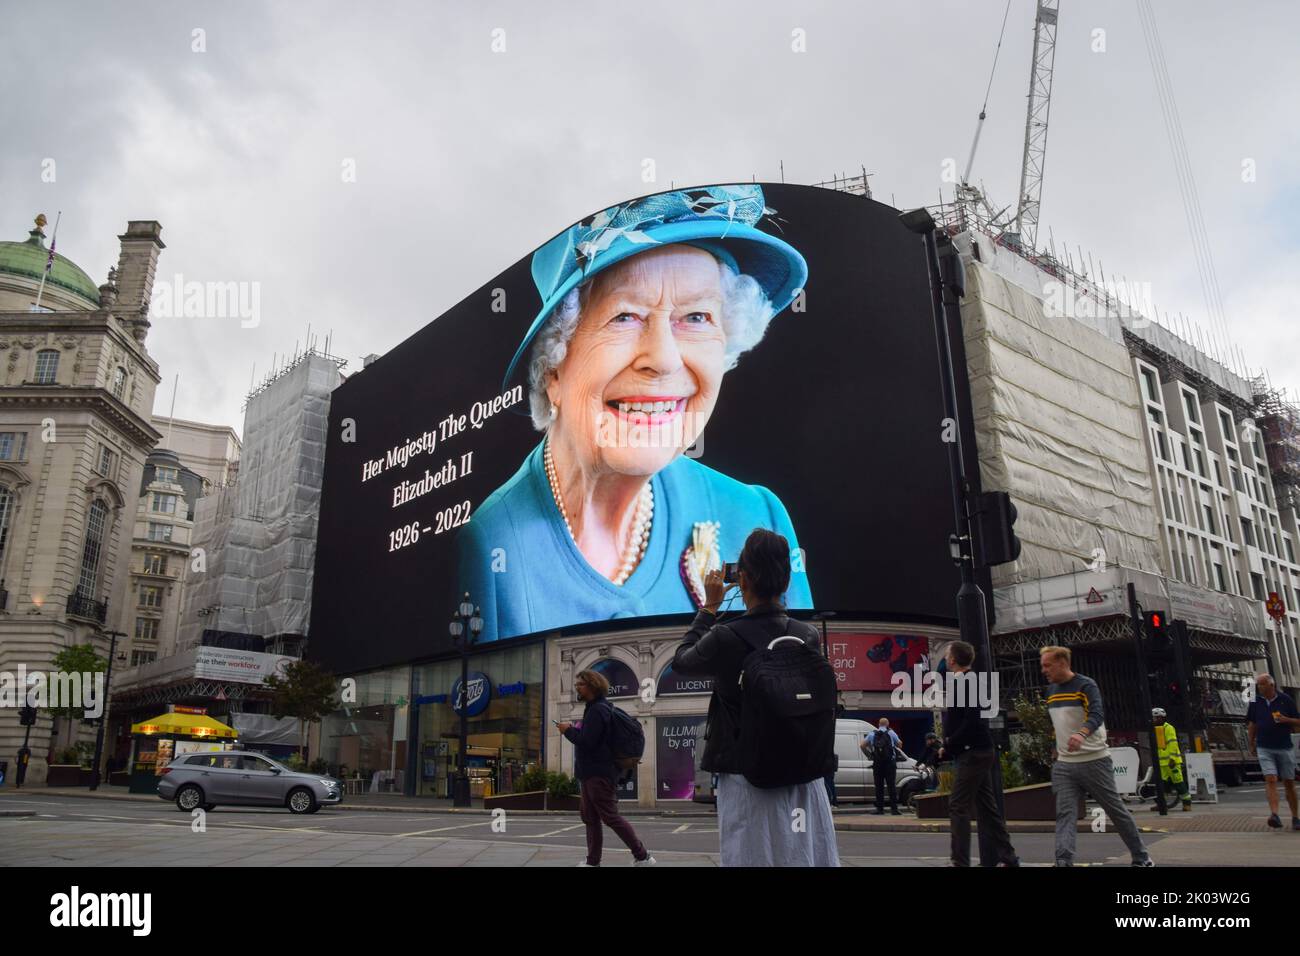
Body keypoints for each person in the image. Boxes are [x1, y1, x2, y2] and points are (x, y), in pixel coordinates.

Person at [460, 185, 813, 642]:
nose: (664, 359)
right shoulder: (492, 550)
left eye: (697, 317)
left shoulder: (756, 516)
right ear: (553, 370)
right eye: (624, 316)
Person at [671, 527, 839, 866]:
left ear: (743, 579)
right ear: (787, 582)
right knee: (803, 854)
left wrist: (709, 608)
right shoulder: (806, 635)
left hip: (747, 778)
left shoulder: (725, 637)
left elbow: (681, 662)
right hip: (803, 777)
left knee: (752, 855)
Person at [1040, 646, 1153, 866]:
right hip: (1064, 764)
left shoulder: (1085, 685)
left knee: (1115, 811)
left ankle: (1142, 858)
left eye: (1047, 665)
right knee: (1065, 814)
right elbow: (1055, 724)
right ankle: (1063, 861)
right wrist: (1055, 745)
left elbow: (1097, 714)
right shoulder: (1051, 691)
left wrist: (1081, 734)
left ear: (1062, 663)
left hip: (1094, 760)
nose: (1043, 670)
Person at [557, 669, 655, 867]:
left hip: (598, 774)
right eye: (576, 684)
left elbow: (587, 742)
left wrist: (568, 731)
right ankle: (593, 862)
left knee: (610, 817)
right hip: (591, 773)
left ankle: (643, 856)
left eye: (580, 684)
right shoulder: (596, 708)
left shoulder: (597, 710)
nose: (577, 687)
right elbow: (593, 740)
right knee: (591, 819)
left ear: (592, 686)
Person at [938, 640, 1019, 867]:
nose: (945, 659)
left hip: (973, 753)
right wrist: (949, 744)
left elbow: (972, 722)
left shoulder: (968, 682)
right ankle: (1009, 857)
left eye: (947, 655)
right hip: (976, 751)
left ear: (953, 659)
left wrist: (951, 743)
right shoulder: (966, 682)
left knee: (958, 805)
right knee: (988, 809)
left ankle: (960, 861)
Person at [1245, 673, 1299, 830]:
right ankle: (1274, 814)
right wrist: (1251, 742)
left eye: (1262, 685)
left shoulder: (1285, 700)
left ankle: (1295, 816)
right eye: (1258, 685)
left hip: (1284, 746)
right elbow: (1252, 723)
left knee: (1289, 782)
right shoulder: (1255, 702)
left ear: (1271, 685)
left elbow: (1298, 721)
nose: (1259, 688)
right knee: (1271, 779)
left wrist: (1285, 720)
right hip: (1264, 746)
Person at [1148, 707, 1192, 812]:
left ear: (1161, 718)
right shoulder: (1155, 729)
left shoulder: (1169, 728)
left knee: (1178, 783)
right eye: (1153, 718)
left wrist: (1172, 758)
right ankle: (1161, 804)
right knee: (1159, 785)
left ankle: (1187, 804)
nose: (1154, 720)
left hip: (1172, 762)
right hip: (1161, 763)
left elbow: (1173, 743)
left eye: (1155, 718)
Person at [863, 717, 905, 815]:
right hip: (890, 763)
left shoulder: (872, 733)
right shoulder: (891, 733)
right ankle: (894, 809)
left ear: (879, 724)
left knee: (879, 786)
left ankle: (880, 809)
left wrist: (870, 755)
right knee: (891, 786)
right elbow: (900, 744)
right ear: (887, 724)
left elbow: (862, 745)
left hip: (877, 763)